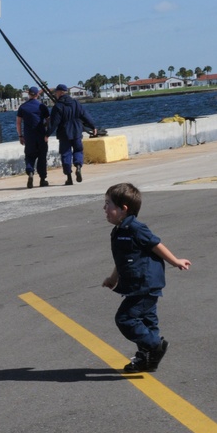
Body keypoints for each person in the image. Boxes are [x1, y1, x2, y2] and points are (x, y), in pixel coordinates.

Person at [101, 183, 191, 373]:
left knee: (125, 319)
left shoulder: (135, 228)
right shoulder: (119, 231)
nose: (104, 208)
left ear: (123, 208)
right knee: (148, 322)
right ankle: (147, 359)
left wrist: (175, 261)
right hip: (135, 284)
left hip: (145, 284)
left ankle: (155, 346)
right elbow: (121, 260)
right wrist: (113, 278)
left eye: (108, 204)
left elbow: (156, 245)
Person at [48, 84, 99, 186]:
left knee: (66, 153)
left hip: (64, 133)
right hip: (77, 131)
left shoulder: (58, 106)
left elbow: (54, 123)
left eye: (56, 92)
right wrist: (93, 126)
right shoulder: (75, 103)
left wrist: (47, 134)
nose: (56, 94)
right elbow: (84, 115)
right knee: (78, 150)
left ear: (60, 92)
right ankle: (78, 166)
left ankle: (69, 177)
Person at [16, 86, 51, 188]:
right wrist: (47, 133)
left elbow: (18, 123)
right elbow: (49, 121)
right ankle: (42, 179)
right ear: (37, 94)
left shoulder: (23, 107)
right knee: (42, 157)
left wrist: (20, 135)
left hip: (29, 136)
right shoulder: (42, 106)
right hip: (41, 136)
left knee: (29, 156)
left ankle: (30, 171)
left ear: (29, 94)